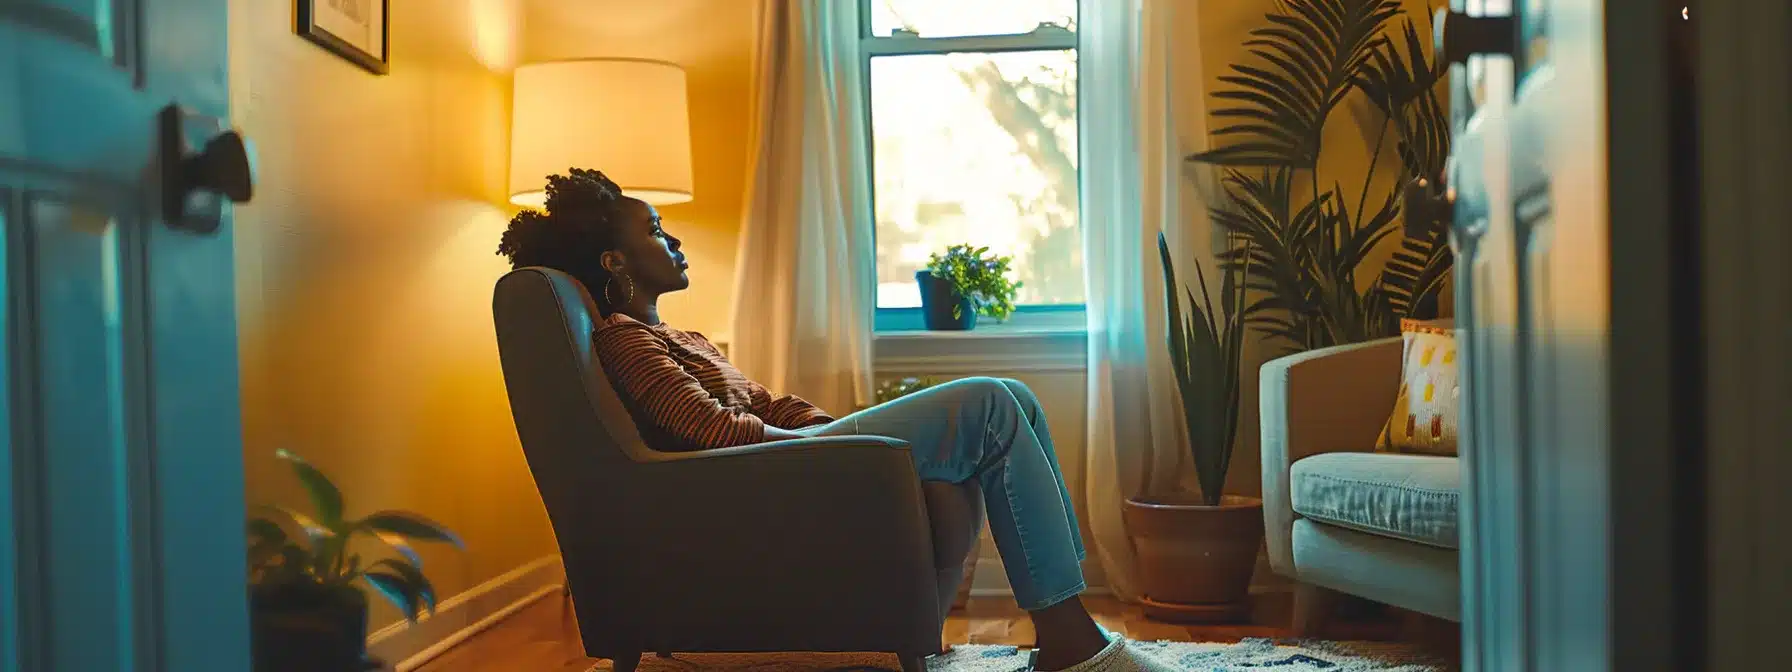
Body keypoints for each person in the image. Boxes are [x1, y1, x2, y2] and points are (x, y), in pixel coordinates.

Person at [497, 169, 1174, 672]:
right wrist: (821, 449)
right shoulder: (624, 339)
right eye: (654, 231)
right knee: (991, 403)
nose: (672, 240)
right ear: (614, 262)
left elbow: (764, 403)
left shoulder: (686, 338)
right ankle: (1068, 636)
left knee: (1014, 399)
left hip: (790, 450)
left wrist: (846, 434)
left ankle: (1063, 621)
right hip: (762, 467)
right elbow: (712, 430)